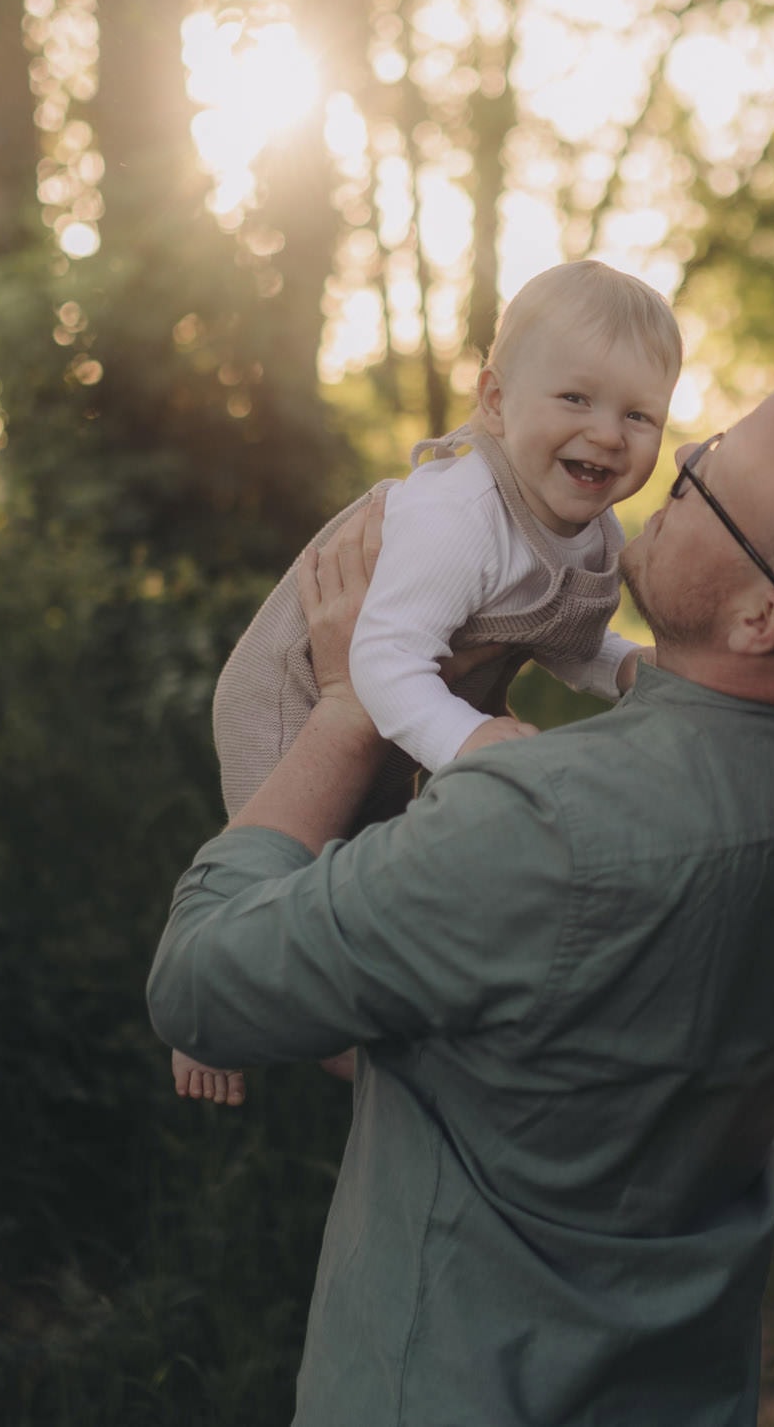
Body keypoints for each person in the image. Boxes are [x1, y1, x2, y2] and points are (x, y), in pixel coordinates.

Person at [148, 352, 774, 1425]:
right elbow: (477, 1015)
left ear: (761, 616)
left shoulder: (547, 823)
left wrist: (347, 704)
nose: (675, 468)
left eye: (711, 476)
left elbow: (200, 984)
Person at [177, 259, 682, 1106]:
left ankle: (373, 1036)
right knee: (274, 866)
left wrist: (624, 666)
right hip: (295, 686)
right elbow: (379, 658)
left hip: (413, 696)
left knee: (373, 861)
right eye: (575, 399)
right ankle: (204, 1015)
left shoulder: (589, 527)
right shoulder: (462, 516)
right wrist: (470, 738)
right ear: (493, 402)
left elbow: (562, 637)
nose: (607, 433)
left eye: (639, 414)